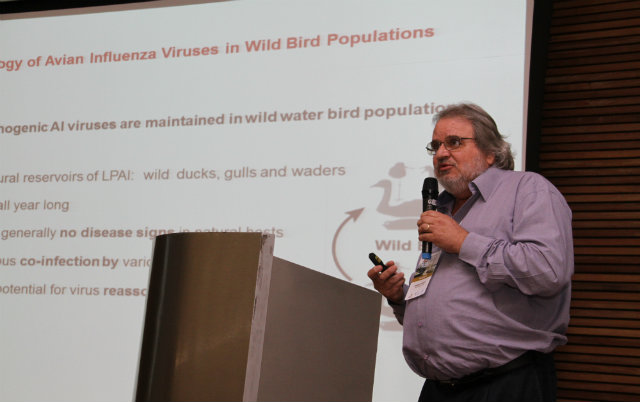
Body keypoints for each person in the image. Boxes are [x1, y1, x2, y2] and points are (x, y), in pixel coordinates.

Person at [368, 103, 573, 402]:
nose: (440, 154)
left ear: (491, 152)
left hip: (506, 384)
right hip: (440, 389)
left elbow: (547, 271)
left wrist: (465, 242)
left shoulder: (528, 189)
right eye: (435, 145)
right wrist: (399, 296)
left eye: (453, 142)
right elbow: (441, 302)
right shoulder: (442, 209)